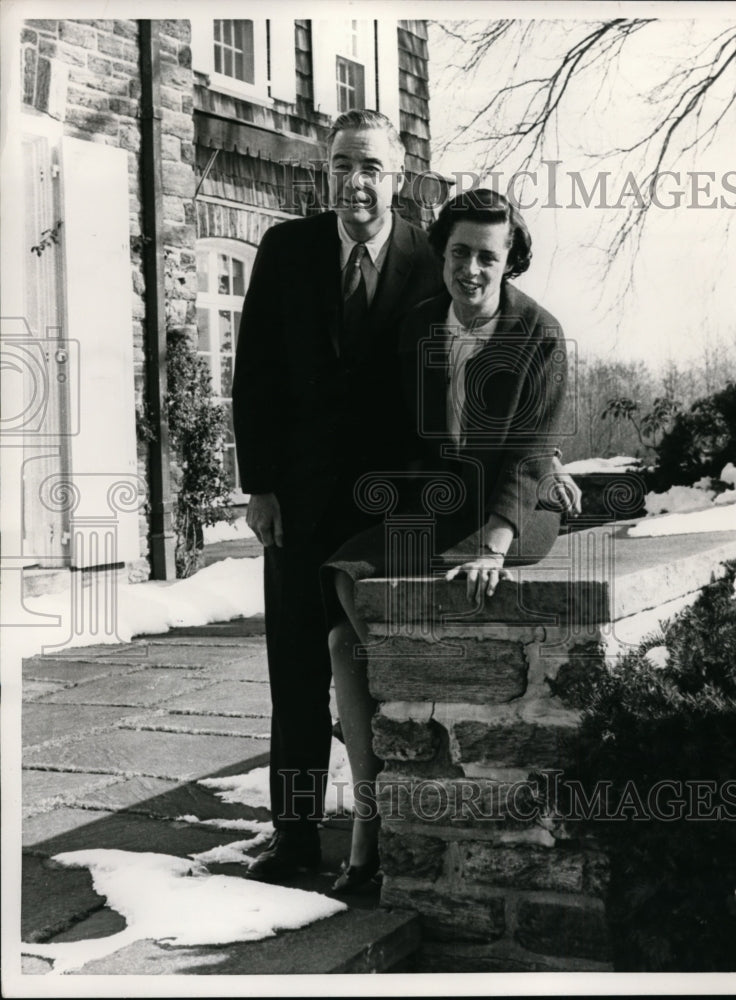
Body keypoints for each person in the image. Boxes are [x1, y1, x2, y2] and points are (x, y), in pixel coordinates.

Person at [324, 188, 580, 892]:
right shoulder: (417, 328)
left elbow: (530, 453)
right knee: (346, 584)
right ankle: (381, 750)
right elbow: (406, 437)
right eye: (460, 252)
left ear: (510, 263)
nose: (471, 269)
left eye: (487, 258)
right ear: (442, 253)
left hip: (515, 507)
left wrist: (495, 544)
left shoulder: (541, 335)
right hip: (445, 502)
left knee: (354, 636)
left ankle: (366, 835)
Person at [231, 110, 443, 882]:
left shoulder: (430, 261)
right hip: (301, 509)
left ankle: (381, 840)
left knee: (380, 677)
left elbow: (485, 348)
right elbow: (252, 376)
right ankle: (292, 842)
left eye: (373, 168)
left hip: (394, 516)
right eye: (344, 165)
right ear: (327, 171)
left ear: (400, 176)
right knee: (296, 677)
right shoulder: (287, 252)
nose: (357, 182)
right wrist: (260, 488)